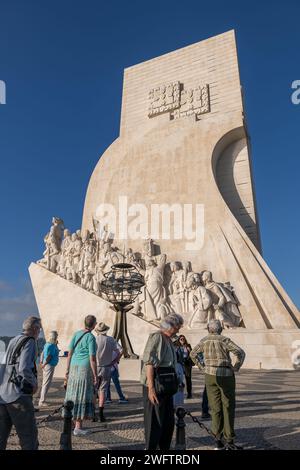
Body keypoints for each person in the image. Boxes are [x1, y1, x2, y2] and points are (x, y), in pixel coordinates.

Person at [190, 319, 245, 450]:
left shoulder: (204, 340)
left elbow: (193, 354)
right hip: (225, 374)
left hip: (209, 375)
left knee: (215, 408)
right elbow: (240, 352)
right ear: (220, 329)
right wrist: (236, 366)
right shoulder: (224, 340)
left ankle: (218, 441)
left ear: (209, 329)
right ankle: (229, 440)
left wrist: (202, 367)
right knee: (228, 406)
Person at [141, 313, 184, 450]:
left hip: (166, 386)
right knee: (155, 421)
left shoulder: (168, 339)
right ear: (169, 326)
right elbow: (149, 363)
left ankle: (164, 448)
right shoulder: (158, 337)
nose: (179, 329)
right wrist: (151, 388)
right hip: (156, 386)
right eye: (177, 326)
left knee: (167, 422)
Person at [0, 316, 41, 450]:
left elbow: (3, 365)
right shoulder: (30, 341)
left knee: (1, 436)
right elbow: (24, 368)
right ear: (34, 328)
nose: (39, 332)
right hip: (18, 396)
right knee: (28, 437)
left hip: (4, 394)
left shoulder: (13, 340)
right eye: (39, 329)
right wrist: (34, 383)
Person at [64, 315, 97, 436]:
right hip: (84, 368)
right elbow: (92, 358)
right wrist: (95, 375)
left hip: (73, 367)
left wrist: (67, 370)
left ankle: (72, 420)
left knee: (73, 393)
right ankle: (78, 427)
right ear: (94, 325)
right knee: (81, 394)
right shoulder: (91, 338)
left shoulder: (76, 334)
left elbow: (69, 353)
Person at [94, 322, 121, 422]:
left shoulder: (94, 340)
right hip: (107, 367)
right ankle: (101, 413)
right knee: (103, 390)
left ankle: (93, 413)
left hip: (95, 367)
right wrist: (114, 361)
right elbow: (120, 351)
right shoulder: (111, 340)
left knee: (94, 389)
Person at [38, 331, 59, 408]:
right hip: (49, 366)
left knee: (45, 383)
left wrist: (41, 362)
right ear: (55, 337)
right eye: (57, 335)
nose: (57, 336)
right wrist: (44, 364)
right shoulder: (52, 346)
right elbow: (49, 356)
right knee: (46, 383)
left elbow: (42, 353)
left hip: (47, 365)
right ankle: (42, 401)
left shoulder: (47, 344)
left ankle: (42, 400)